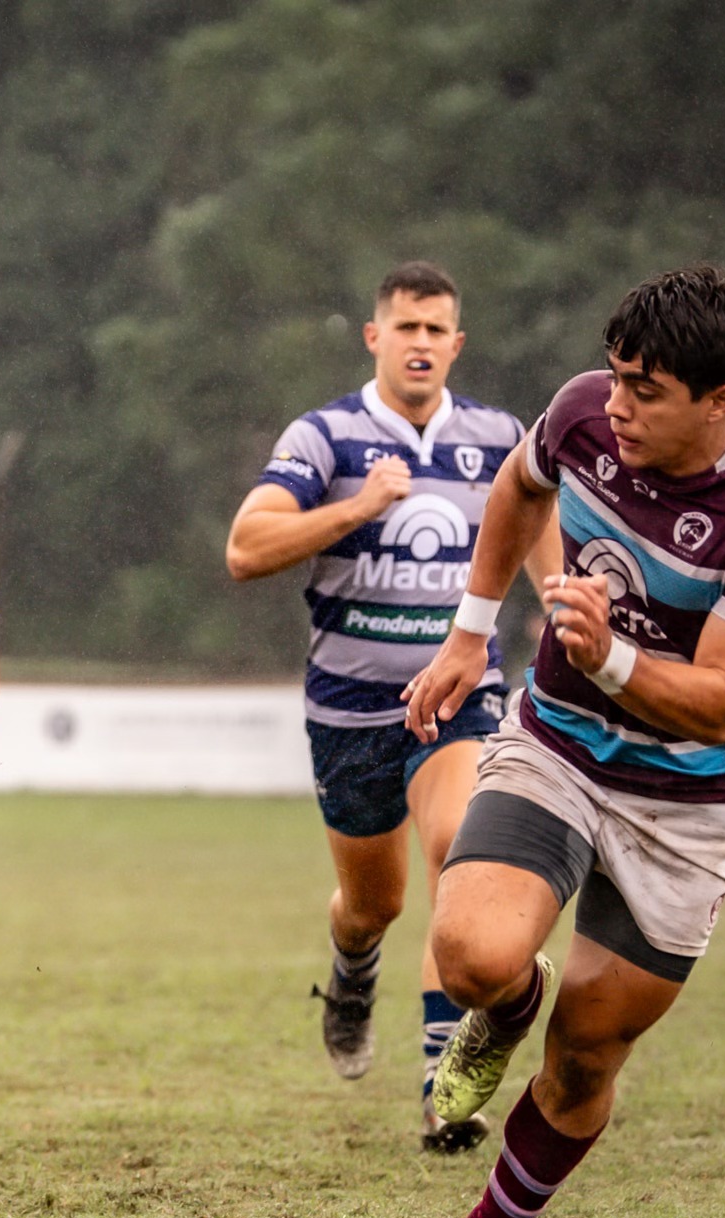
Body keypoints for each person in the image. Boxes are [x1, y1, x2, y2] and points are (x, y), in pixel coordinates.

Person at [401, 265, 725, 1218]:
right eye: (613, 374)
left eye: (644, 387)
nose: (615, 402)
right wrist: (470, 635)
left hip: (683, 800)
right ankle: (504, 1007)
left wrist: (603, 656)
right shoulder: (577, 418)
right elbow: (518, 487)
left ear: (719, 402)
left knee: (586, 1059)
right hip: (555, 742)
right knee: (470, 957)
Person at [224, 262, 559, 1152]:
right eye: (403, 327)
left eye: (435, 329)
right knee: (372, 903)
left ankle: (444, 1085)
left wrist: (566, 607)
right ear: (375, 337)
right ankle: (352, 968)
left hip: (457, 699)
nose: (419, 343)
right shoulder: (327, 437)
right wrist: (358, 507)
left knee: (465, 860)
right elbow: (246, 548)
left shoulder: (498, 437)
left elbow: (540, 539)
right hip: (348, 711)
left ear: (457, 344)